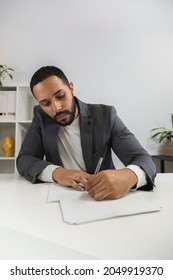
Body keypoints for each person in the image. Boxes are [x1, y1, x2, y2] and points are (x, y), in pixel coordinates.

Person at [17, 66, 156, 201]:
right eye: (45, 103)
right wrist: (56, 173)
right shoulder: (41, 117)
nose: (56, 108)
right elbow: (25, 159)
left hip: (104, 200)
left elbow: (143, 159)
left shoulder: (105, 116)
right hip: (62, 199)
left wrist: (128, 176)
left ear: (71, 88)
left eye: (60, 96)